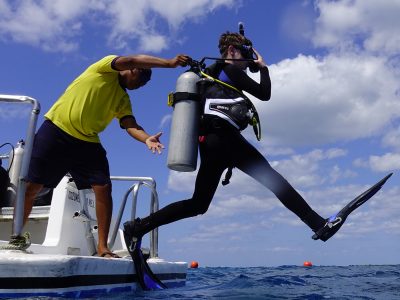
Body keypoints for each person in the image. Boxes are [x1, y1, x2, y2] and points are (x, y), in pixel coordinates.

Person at [126, 32, 328, 243]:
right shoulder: (230, 69)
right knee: (275, 181)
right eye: (245, 55)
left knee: (198, 204)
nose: (247, 62)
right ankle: (318, 224)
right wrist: (263, 67)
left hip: (210, 144)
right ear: (231, 50)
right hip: (225, 139)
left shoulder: (212, 76)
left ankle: (138, 228)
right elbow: (264, 93)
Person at [10, 53, 190, 257]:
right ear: (133, 70)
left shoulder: (123, 99)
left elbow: (130, 125)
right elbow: (131, 59)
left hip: (87, 142)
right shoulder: (103, 68)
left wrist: (147, 138)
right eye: (142, 79)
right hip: (56, 130)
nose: (142, 85)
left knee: (103, 187)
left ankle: (103, 247)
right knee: (32, 186)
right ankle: (16, 238)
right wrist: (169, 63)